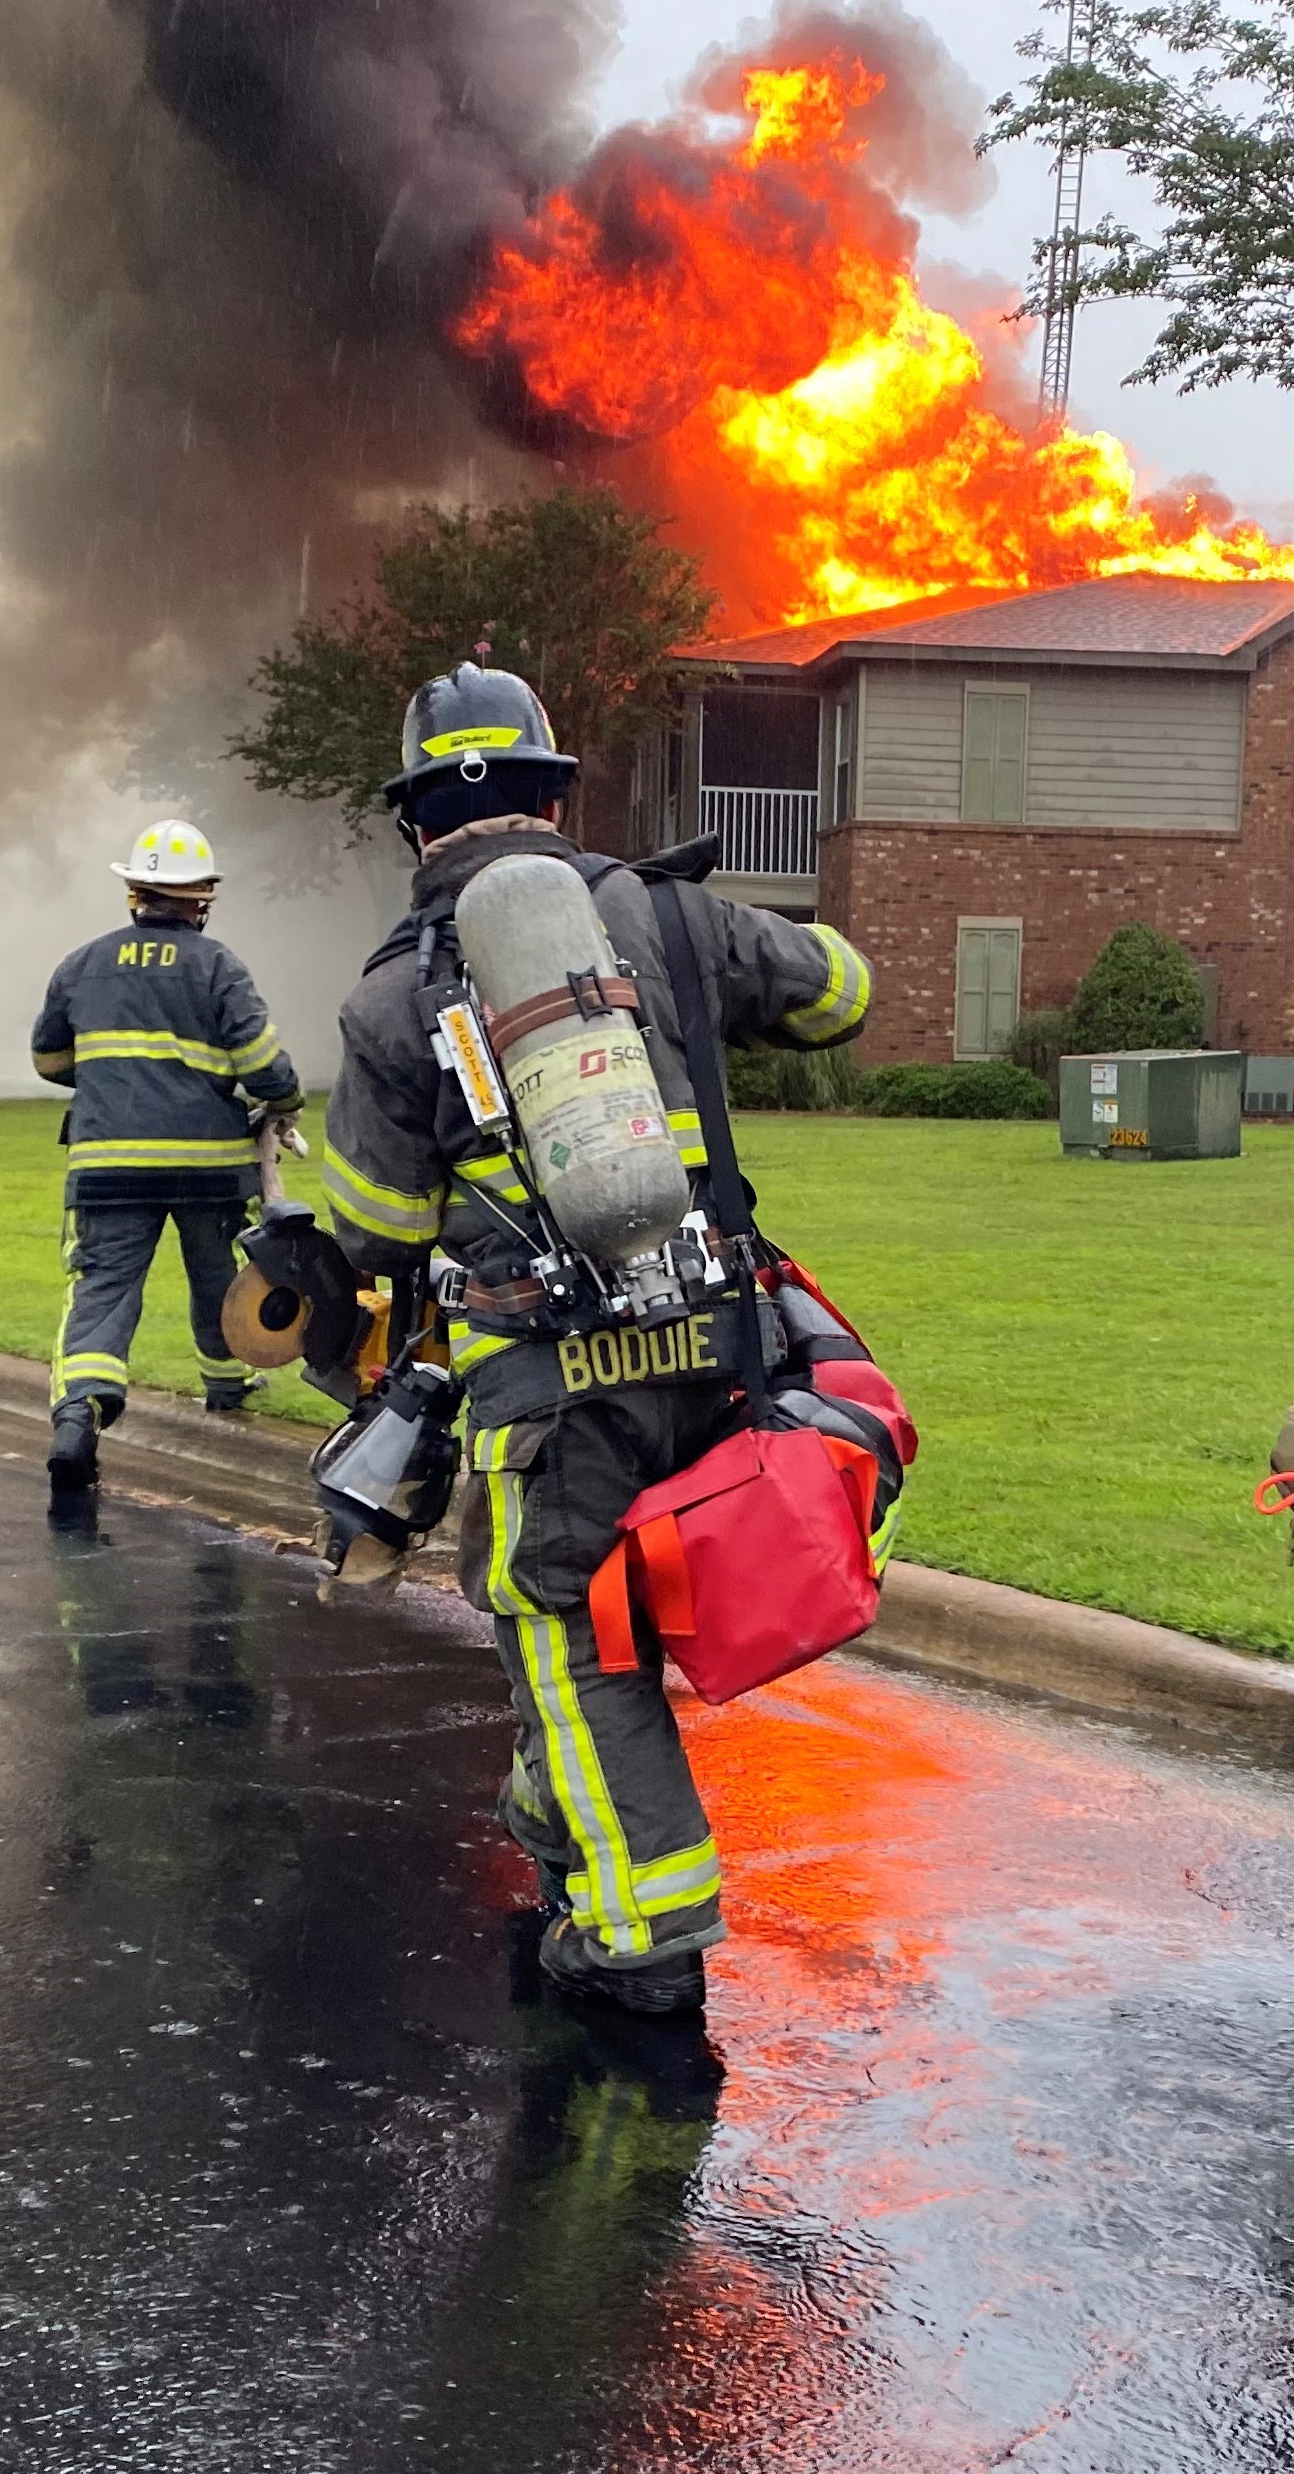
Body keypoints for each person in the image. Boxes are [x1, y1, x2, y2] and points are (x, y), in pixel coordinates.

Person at [315, 663, 873, 2022]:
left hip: (544, 1369)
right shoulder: (668, 910)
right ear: (557, 794)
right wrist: (684, 952)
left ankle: (638, 1938)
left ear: (415, 826)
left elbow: (374, 1225)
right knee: (623, 1618)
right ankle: (562, 1807)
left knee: (566, 1631)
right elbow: (842, 995)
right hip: (719, 1338)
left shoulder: (395, 993)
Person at [30, 817, 306, 1495]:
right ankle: (226, 1385)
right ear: (201, 897)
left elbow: (48, 1058)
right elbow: (264, 1064)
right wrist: (285, 1096)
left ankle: (78, 1413)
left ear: (135, 892)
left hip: (108, 1166)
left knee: (104, 1286)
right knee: (216, 1277)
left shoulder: (81, 963)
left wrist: (109, 1077)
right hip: (206, 1166)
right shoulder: (217, 965)